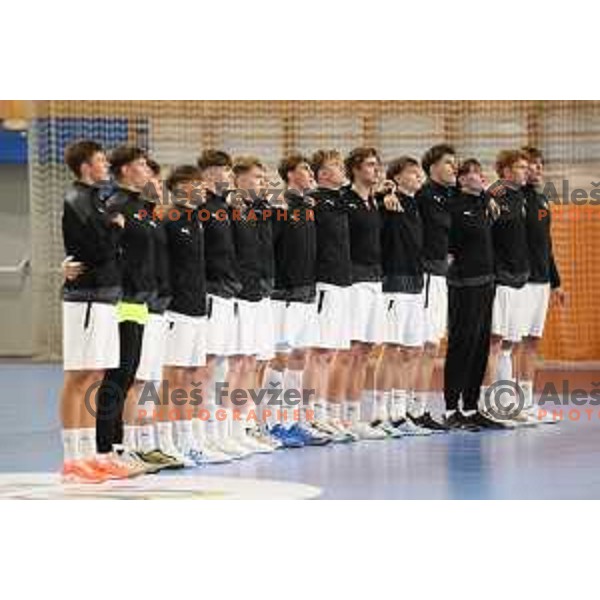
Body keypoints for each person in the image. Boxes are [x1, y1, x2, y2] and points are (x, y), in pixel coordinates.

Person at [60, 140, 123, 482]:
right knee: (77, 376)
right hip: (84, 298)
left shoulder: (96, 200)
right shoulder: (77, 199)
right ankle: (72, 458)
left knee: (96, 375)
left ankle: (88, 453)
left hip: (104, 298)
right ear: (86, 166)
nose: (106, 165)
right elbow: (94, 250)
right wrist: (115, 229)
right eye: (100, 160)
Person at [443, 159, 511, 430]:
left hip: (486, 284)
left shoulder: (485, 203)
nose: (480, 177)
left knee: (481, 346)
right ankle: (451, 410)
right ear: (461, 180)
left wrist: (485, 196)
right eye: (472, 173)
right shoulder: (453, 205)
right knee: (462, 345)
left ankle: (471, 408)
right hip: (463, 285)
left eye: (480, 173)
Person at [377, 156, 436, 436]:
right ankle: (380, 414)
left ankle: (400, 413)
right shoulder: (387, 201)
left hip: (416, 284)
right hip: (393, 284)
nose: (418, 177)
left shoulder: (416, 203)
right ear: (397, 177)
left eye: (419, 173)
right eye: (412, 173)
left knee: (412, 350)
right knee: (392, 348)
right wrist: (384, 192)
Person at [517, 146, 565, 422]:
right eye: (531, 165)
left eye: (539, 165)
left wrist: (555, 283)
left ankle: (526, 403)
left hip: (541, 282)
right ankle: (508, 401)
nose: (536, 170)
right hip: (518, 282)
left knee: (532, 342)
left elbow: (546, 246)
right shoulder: (511, 198)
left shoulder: (542, 201)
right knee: (515, 343)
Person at [413, 144, 457, 427]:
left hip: (443, 278)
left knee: (433, 346)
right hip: (426, 277)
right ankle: (409, 410)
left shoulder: (450, 196)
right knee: (421, 345)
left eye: (456, 162)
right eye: (448, 162)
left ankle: (418, 409)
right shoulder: (424, 196)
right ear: (433, 168)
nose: (454, 167)